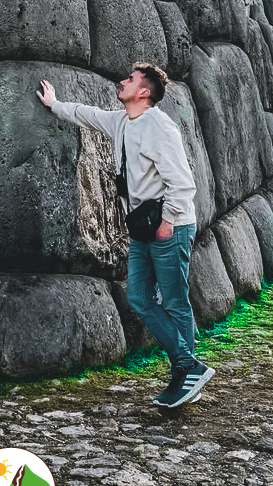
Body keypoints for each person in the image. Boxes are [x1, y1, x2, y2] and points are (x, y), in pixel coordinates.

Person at [37, 62, 214, 410]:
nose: (122, 81)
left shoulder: (159, 127)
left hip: (170, 226)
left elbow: (183, 183)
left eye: (130, 79)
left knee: (174, 302)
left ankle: (185, 375)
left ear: (143, 92)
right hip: (143, 227)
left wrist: (167, 223)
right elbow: (87, 115)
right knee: (139, 297)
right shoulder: (121, 121)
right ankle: (188, 367)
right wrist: (54, 104)